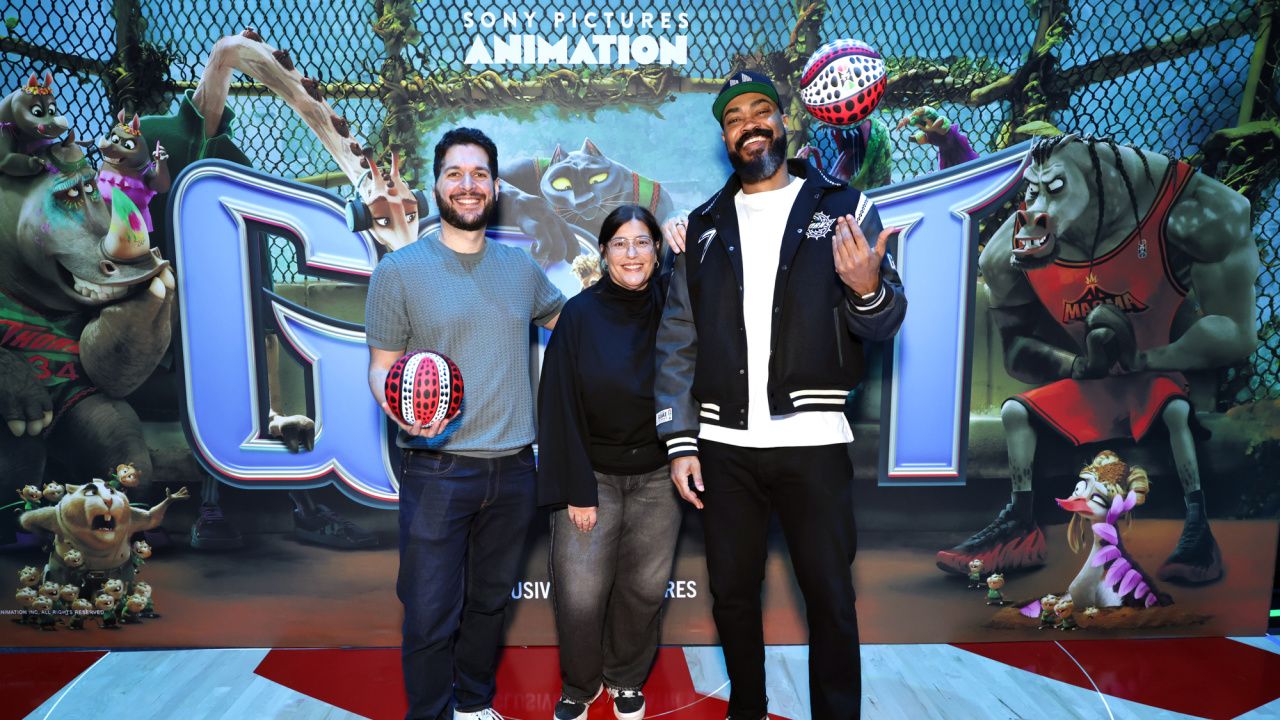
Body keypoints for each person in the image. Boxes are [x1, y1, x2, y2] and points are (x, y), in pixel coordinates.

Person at [654, 70, 907, 719]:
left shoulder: (844, 206)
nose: (748, 125)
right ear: (724, 135)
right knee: (732, 597)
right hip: (724, 448)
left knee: (828, 597)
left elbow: (884, 321)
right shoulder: (703, 227)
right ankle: (749, 708)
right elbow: (678, 338)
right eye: (734, 118)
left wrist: (865, 287)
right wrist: (682, 442)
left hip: (813, 443)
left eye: (759, 110)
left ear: (783, 119)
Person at [365, 127, 565, 720]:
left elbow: (570, 323)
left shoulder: (520, 269)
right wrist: (403, 408)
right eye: (455, 173)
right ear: (436, 186)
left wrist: (638, 284)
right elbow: (380, 370)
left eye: (479, 174)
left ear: (496, 188)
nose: (468, 185)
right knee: (429, 611)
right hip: (438, 470)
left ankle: (475, 704)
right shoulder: (399, 271)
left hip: (513, 470)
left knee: (487, 605)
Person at [537, 205, 679, 720]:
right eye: (620, 243)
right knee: (579, 596)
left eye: (643, 242)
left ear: (658, 251)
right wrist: (577, 488)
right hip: (591, 476)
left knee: (643, 591)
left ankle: (625, 679)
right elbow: (558, 405)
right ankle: (580, 685)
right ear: (603, 252)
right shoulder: (580, 314)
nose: (632, 253)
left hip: (661, 477)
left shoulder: (676, 306)